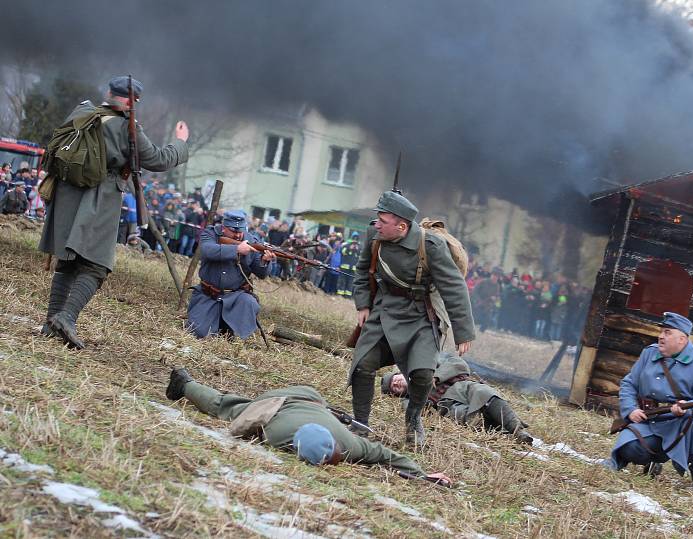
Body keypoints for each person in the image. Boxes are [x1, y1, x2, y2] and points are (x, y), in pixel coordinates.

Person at [38, 76, 189, 349]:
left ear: (109, 93)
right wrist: (180, 142)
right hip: (99, 197)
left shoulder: (83, 111)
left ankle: (50, 322)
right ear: (133, 102)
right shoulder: (126, 128)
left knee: (69, 261)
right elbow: (158, 159)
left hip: (67, 193)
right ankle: (66, 318)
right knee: (97, 264)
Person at [165, 368, 451, 485]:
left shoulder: (350, 444)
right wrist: (423, 475)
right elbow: (388, 456)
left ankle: (185, 384)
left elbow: (387, 456)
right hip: (287, 401)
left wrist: (424, 475)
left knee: (234, 407)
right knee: (228, 408)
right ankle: (184, 385)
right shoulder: (276, 437)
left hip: (309, 398)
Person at [349, 191, 475, 446]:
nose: (377, 225)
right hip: (385, 311)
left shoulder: (431, 247)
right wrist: (363, 304)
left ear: (402, 226)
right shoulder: (374, 237)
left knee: (422, 374)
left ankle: (413, 420)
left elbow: (454, 288)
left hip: (422, 315)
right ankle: (360, 424)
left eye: (383, 221)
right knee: (363, 365)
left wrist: (464, 332)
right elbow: (363, 271)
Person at [602, 312, 693, 492]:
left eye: (667, 332)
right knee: (630, 448)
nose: (661, 336)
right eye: (661, 332)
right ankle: (628, 462)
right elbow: (629, 384)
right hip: (649, 420)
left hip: (679, 424)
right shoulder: (649, 353)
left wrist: (685, 407)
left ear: (682, 339)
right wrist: (631, 409)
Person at [381, 352, 535, 444]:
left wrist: (435, 377)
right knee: (475, 420)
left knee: (484, 394)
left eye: (396, 379)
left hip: (462, 388)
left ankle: (519, 432)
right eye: (395, 387)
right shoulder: (409, 400)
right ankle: (507, 433)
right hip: (450, 407)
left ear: (400, 373)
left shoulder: (428, 364)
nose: (398, 383)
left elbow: (459, 363)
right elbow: (415, 414)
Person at [186, 210, 275, 339]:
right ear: (223, 228)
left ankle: (233, 331)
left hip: (236, 298)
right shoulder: (210, 234)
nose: (238, 235)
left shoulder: (252, 240)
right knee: (199, 333)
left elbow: (261, 273)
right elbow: (208, 251)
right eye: (234, 231)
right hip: (208, 296)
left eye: (240, 231)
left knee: (248, 303)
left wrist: (264, 261)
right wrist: (236, 249)